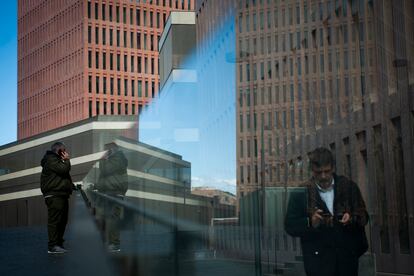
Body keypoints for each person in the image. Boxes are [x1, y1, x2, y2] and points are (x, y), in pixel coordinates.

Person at [285, 147, 369, 276]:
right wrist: (310, 222)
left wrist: (351, 218)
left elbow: (364, 217)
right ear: (312, 170)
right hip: (318, 264)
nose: (323, 176)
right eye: (318, 172)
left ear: (333, 168)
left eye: (327, 171)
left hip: (347, 261)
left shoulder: (349, 186)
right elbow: (289, 226)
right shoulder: (300, 193)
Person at [40, 142, 73, 254]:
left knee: (63, 220)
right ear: (58, 150)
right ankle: (53, 246)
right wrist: (67, 160)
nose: (65, 152)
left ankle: (58, 243)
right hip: (54, 195)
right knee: (55, 220)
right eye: (63, 150)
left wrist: (72, 186)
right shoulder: (51, 159)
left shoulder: (57, 161)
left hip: (61, 194)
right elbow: (63, 170)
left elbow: (63, 177)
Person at [95, 143, 128, 252]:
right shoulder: (113, 160)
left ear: (111, 150)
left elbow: (106, 171)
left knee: (113, 219)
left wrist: (103, 160)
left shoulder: (118, 158)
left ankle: (115, 244)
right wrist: (95, 186)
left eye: (105, 150)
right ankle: (110, 243)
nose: (104, 153)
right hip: (109, 193)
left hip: (114, 193)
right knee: (106, 218)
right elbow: (105, 178)